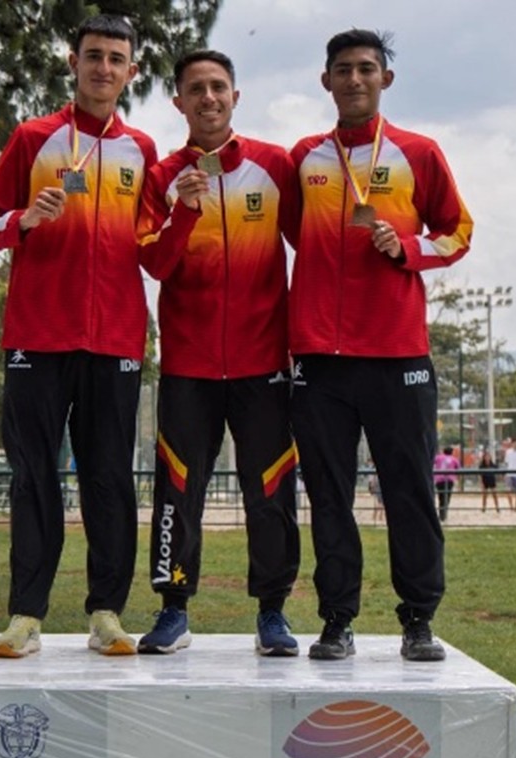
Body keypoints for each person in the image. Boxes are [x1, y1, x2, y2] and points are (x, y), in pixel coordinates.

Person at [0, 14, 157, 659]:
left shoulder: (143, 152)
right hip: (38, 335)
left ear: (132, 72)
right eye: (93, 56)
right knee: (33, 476)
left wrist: (185, 209)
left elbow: (156, 247)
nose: (104, 68)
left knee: (109, 478)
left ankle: (106, 612)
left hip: (116, 339)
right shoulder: (33, 139)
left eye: (116, 59)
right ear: (72, 63)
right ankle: (26, 614)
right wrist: (24, 218)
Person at [289, 29, 472, 662]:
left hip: (398, 356)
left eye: (367, 68)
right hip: (319, 357)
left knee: (409, 490)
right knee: (329, 496)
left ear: (385, 79)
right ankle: (337, 619)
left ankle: (419, 619)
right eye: (343, 70)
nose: (355, 79)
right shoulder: (305, 159)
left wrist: (411, 249)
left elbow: (458, 230)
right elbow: (295, 233)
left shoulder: (419, 153)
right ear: (327, 81)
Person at [135, 49, 301, 656]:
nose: (208, 98)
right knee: (178, 489)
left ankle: (274, 613)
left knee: (272, 489)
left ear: (236, 95)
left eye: (218, 87)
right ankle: (173, 607)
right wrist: (184, 208)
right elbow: (153, 260)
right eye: (195, 89)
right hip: (187, 365)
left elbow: (312, 244)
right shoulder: (161, 177)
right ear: (177, 101)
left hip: (264, 365)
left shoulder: (274, 166)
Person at [432, 446, 461, 521]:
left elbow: (432, 462)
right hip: (449, 479)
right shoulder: (454, 459)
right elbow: (458, 469)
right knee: (447, 496)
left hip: (440, 479)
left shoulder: (438, 457)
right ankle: (444, 512)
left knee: (441, 496)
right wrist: (458, 478)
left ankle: (441, 513)